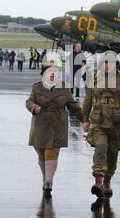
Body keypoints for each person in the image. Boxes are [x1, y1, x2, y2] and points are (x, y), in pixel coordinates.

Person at [26, 54, 83, 198]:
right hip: (40, 125)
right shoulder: (36, 87)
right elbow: (29, 101)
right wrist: (34, 107)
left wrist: (86, 120)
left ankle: (49, 182)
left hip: (58, 124)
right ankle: (45, 178)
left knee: (52, 152)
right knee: (41, 154)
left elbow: (74, 107)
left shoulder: (64, 88)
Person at [82, 52, 120, 199]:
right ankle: (98, 182)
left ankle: (107, 182)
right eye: (105, 62)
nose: (107, 65)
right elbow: (88, 100)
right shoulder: (95, 78)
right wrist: (85, 120)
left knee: (112, 153)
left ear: (116, 65)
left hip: (115, 122)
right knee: (100, 148)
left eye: (110, 63)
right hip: (98, 122)